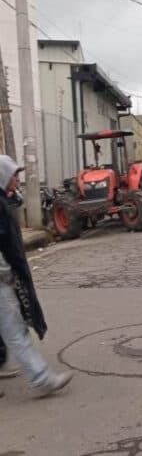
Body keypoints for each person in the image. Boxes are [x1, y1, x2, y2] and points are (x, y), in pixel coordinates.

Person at [0, 155, 73, 397]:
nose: (17, 179)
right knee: (15, 330)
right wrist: (5, 273)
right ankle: (41, 378)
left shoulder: (5, 200)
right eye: (13, 175)